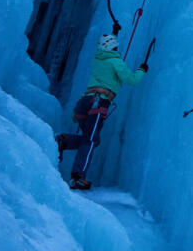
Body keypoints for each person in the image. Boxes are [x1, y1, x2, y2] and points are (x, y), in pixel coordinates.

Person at [55, 33, 148, 190]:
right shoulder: (115, 61)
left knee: (89, 139)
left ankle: (65, 141)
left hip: (85, 103)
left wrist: (114, 31)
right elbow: (132, 80)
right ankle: (78, 177)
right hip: (98, 104)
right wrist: (142, 70)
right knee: (90, 141)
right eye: (116, 46)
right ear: (112, 47)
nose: (117, 48)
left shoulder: (99, 59)